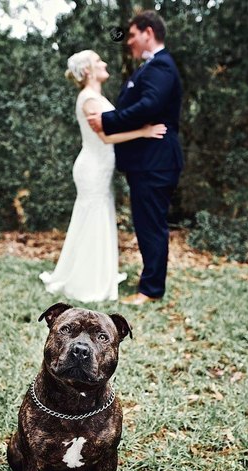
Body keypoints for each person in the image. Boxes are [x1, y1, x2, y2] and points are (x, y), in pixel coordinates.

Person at [39, 49, 167, 303]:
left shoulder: (94, 97)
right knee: (93, 219)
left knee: (97, 218)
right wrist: (143, 131)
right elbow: (106, 136)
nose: (104, 63)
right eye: (98, 61)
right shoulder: (89, 99)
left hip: (101, 166)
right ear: (87, 70)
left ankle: (97, 273)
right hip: (92, 168)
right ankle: (88, 280)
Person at [87, 11, 183, 305]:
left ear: (148, 33)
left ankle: (151, 291)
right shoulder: (151, 67)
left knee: (151, 225)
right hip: (146, 161)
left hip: (156, 160)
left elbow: (149, 104)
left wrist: (109, 120)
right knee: (145, 223)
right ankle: (149, 285)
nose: (128, 41)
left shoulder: (162, 66)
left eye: (131, 35)